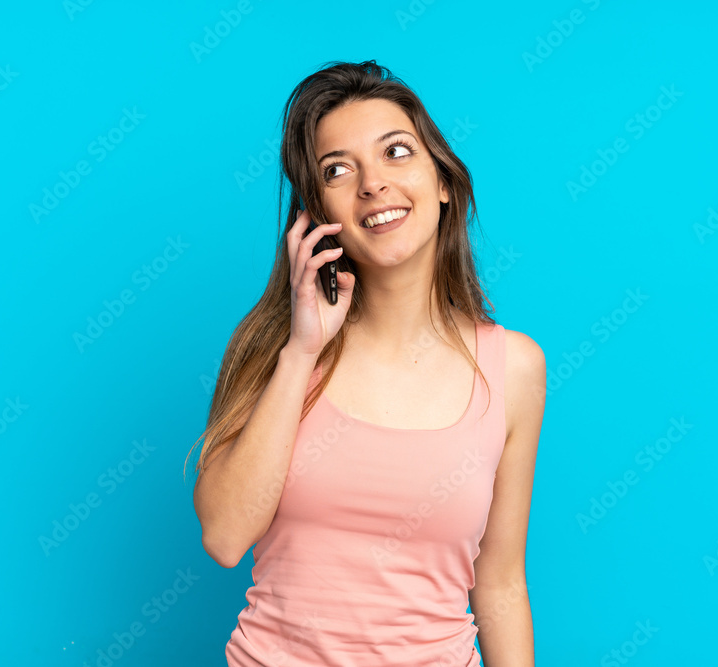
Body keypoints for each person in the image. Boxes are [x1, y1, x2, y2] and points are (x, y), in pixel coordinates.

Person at [187, 60, 545, 666]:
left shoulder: (513, 367)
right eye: (337, 169)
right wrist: (301, 352)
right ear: (316, 214)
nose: (372, 183)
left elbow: (501, 583)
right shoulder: (272, 347)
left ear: (444, 182)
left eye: (396, 152)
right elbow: (224, 537)